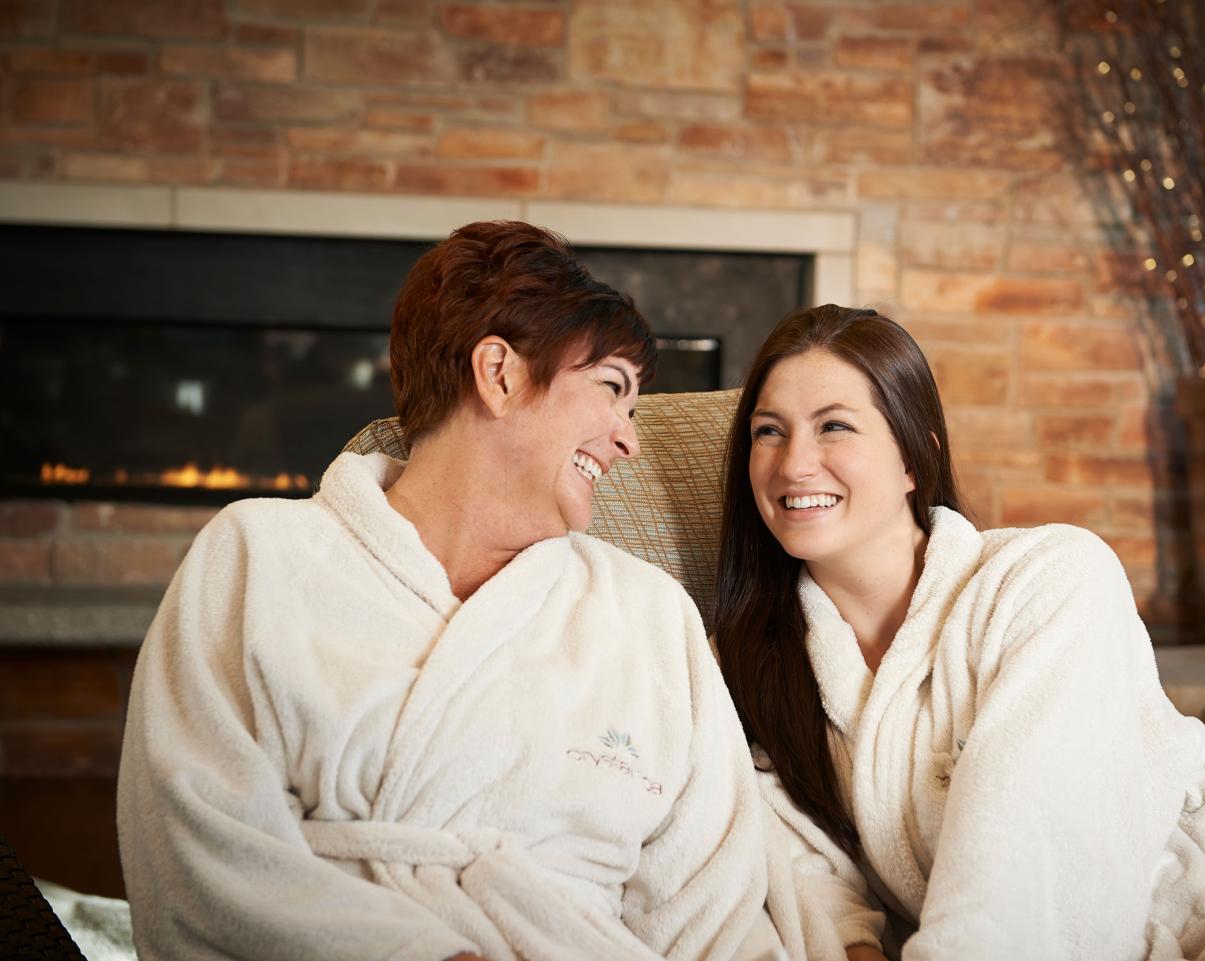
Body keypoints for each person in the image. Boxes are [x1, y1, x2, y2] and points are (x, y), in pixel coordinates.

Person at [118, 221, 768, 961]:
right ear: (499, 373)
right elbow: (194, 845)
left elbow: (716, 908)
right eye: (613, 390)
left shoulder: (649, 615)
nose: (629, 439)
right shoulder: (259, 557)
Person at [713, 304, 1205, 961]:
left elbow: (1023, 843)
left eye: (833, 425)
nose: (793, 462)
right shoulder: (750, 666)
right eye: (768, 432)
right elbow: (800, 862)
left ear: (913, 455)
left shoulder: (1052, 577)